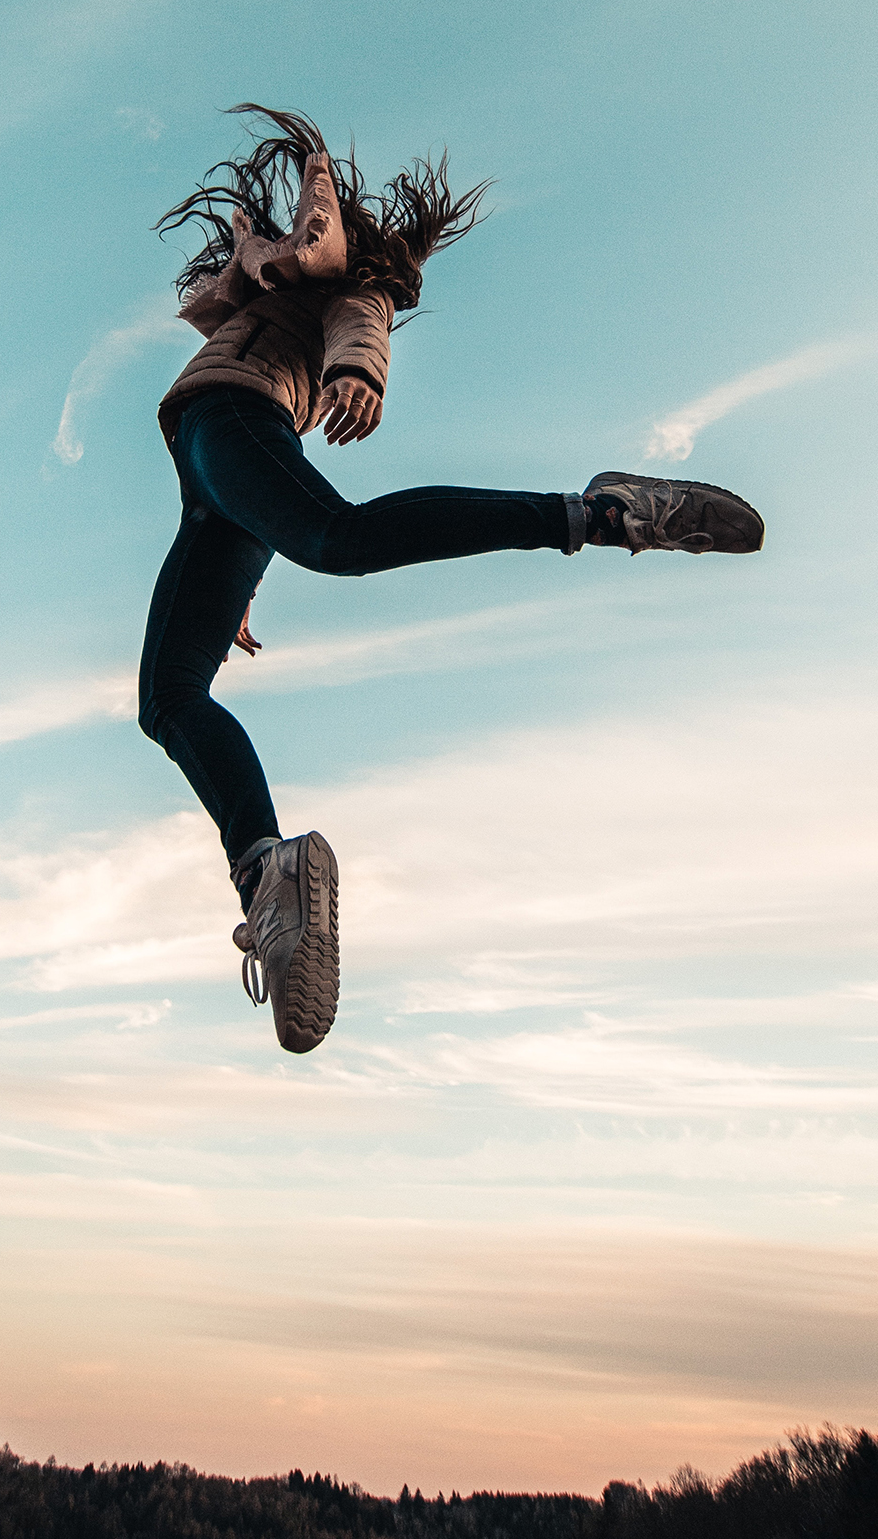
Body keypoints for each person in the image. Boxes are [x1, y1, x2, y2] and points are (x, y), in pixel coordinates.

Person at [138, 105, 763, 1056]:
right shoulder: (269, 299)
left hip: (234, 426)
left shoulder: (348, 286)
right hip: (213, 480)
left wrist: (359, 370)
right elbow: (228, 455)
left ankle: (601, 514)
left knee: (338, 537)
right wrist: (240, 577)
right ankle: (267, 875)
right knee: (169, 697)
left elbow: (361, 317)